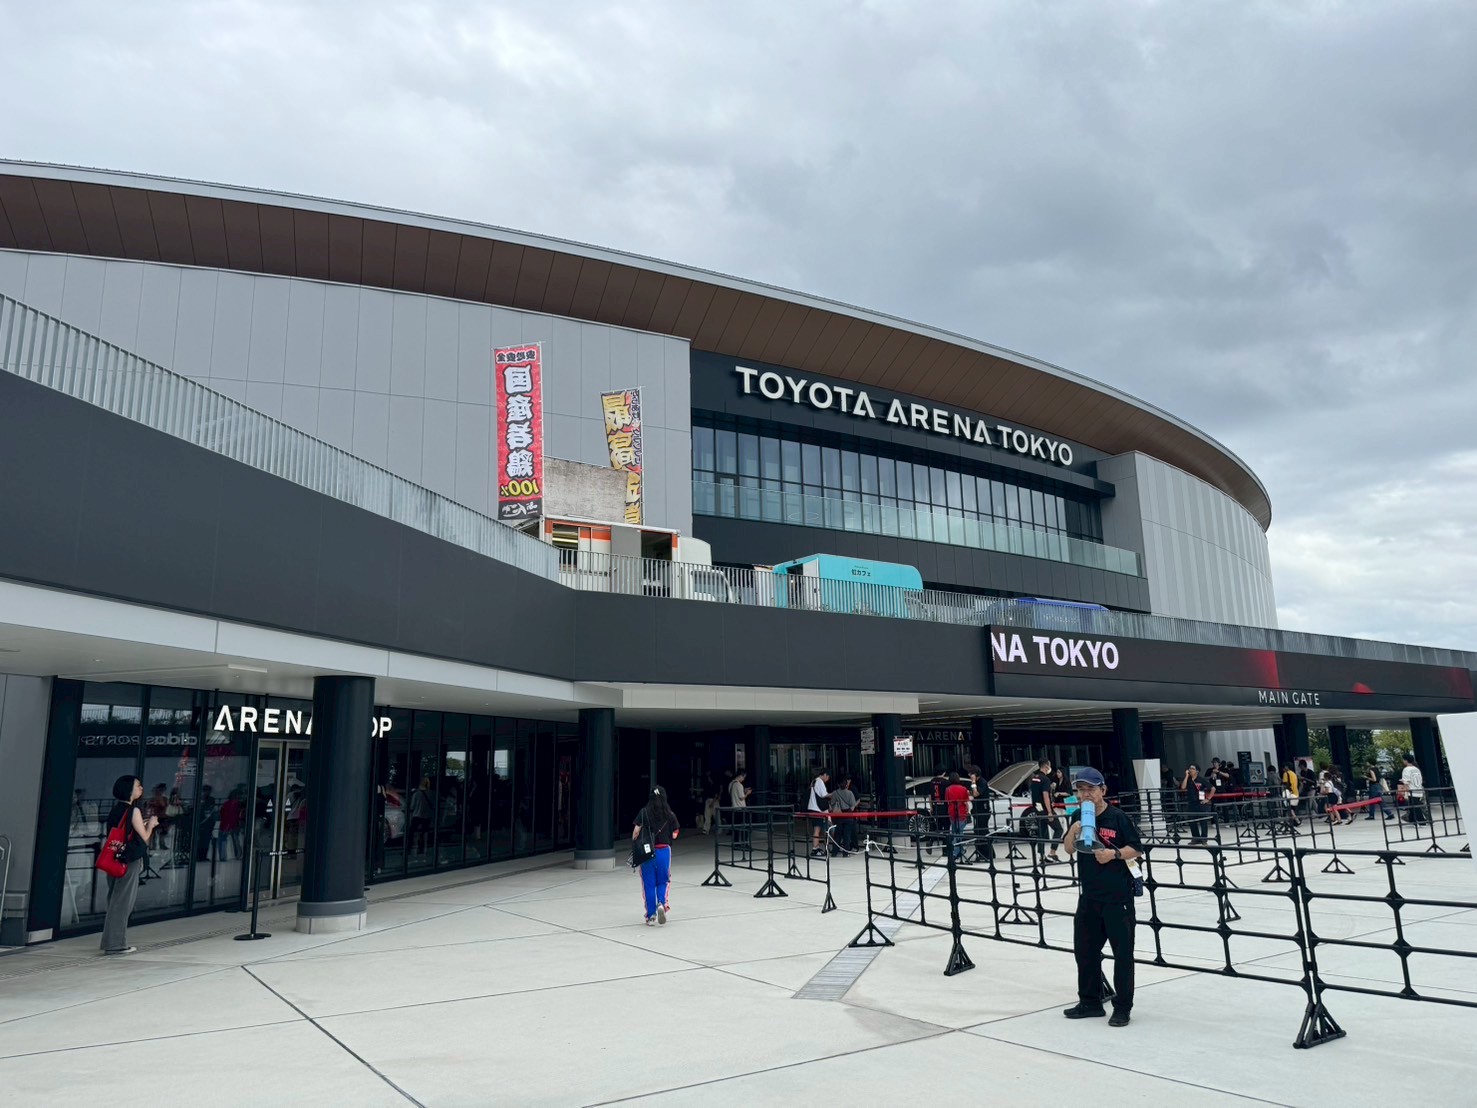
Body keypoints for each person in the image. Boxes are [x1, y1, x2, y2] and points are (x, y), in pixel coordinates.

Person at [1061, 767, 1143, 1028]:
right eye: (1081, 789)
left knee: (1122, 955)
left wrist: (1113, 855)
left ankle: (1122, 1007)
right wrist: (1075, 830)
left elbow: (1137, 848)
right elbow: (1067, 849)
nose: (1086, 794)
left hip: (1117, 898)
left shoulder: (1117, 817)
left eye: (1091, 789)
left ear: (1103, 790)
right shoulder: (1076, 814)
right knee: (1085, 952)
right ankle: (1090, 1002)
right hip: (1089, 897)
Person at [100, 775, 159, 955]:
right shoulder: (133, 811)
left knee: (114, 900)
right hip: (128, 860)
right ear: (129, 790)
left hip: (114, 858)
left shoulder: (116, 810)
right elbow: (145, 838)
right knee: (123, 902)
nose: (141, 789)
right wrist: (152, 825)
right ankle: (115, 944)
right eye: (138, 786)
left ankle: (111, 941)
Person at [631, 786, 680, 925]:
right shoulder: (670, 814)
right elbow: (675, 834)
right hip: (664, 851)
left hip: (647, 853)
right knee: (663, 881)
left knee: (649, 884)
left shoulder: (644, 812)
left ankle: (651, 915)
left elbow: (635, 833)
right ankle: (661, 903)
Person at [1028, 758, 1062, 866]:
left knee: (1042, 832)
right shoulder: (1045, 779)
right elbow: (1045, 795)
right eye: (1049, 766)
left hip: (1037, 808)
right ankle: (1052, 853)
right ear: (1046, 766)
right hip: (1045, 809)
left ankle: (1041, 855)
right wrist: (1049, 812)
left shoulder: (1034, 778)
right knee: (1058, 829)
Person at [1180, 764, 1211, 844]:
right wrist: (1186, 776)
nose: (1190, 770)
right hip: (1191, 802)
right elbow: (1183, 787)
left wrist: (1207, 799)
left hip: (1200, 802)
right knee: (1192, 821)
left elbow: (1213, 788)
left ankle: (1204, 838)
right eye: (1189, 768)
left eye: (1192, 769)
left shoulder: (1201, 779)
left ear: (1197, 771)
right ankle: (1195, 837)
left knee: (1203, 821)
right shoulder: (1189, 779)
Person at [945, 772, 972, 862]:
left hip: (952, 812)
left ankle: (958, 850)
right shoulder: (963, 789)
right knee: (960, 832)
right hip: (961, 812)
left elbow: (947, 801)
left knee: (954, 831)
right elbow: (965, 802)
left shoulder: (948, 789)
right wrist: (967, 810)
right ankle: (956, 851)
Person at [829, 775, 859, 853]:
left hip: (838, 816)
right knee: (847, 835)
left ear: (838, 784)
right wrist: (849, 811)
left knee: (837, 834)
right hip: (848, 815)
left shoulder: (835, 793)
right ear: (846, 784)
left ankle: (835, 852)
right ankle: (846, 852)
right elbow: (853, 805)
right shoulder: (850, 793)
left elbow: (832, 804)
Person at [807, 769, 831, 857]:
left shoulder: (814, 781)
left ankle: (816, 847)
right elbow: (824, 794)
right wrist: (834, 794)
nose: (827, 779)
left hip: (813, 807)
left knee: (817, 829)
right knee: (817, 830)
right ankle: (815, 848)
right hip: (817, 809)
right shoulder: (819, 782)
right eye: (828, 777)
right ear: (824, 774)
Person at [728, 769, 751, 851]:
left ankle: (736, 844)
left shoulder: (731, 783)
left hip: (734, 808)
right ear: (741, 776)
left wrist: (743, 791)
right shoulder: (739, 785)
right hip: (741, 808)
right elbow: (741, 798)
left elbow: (734, 794)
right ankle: (745, 844)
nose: (743, 779)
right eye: (744, 777)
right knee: (745, 827)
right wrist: (747, 793)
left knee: (736, 828)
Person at [1399, 753, 1426, 823]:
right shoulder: (1416, 769)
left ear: (1406, 760)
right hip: (1418, 789)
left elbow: (1406, 781)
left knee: (1415, 807)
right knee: (1413, 806)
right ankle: (1412, 819)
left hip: (1411, 790)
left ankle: (1421, 821)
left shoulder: (1406, 769)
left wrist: (1404, 792)